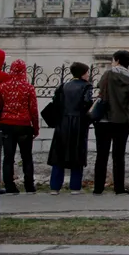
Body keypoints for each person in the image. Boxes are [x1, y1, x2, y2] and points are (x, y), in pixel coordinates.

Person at [93, 50, 129, 195]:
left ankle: (98, 187)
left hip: (104, 119)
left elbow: (100, 89)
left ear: (117, 60)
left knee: (102, 154)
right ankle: (119, 187)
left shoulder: (108, 74)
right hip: (122, 119)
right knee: (119, 155)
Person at [46, 62, 93, 195]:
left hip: (62, 123)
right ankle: (75, 187)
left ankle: (55, 186)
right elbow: (87, 103)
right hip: (78, 123)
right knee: (77, 153)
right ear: (82, 73)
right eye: (87, 72)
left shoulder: (63, 86)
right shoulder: (86, 86)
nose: (88, 75)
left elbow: (56, 103)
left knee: (59, 154)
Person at [0, 60, 39, 193]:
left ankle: (9, 186)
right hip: (24, 125)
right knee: (27, 157)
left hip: (7, 124)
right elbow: (33, 110)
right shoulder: (28, 87)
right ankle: (29, 185)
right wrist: (36, 128)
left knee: (8, 157)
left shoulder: (3, 87)